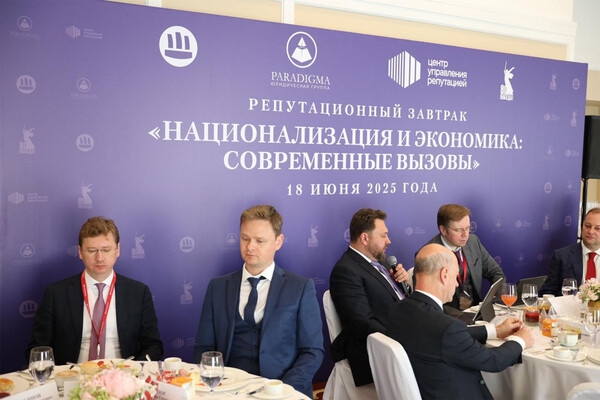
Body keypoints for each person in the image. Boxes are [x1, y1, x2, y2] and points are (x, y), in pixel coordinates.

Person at [193, 205, 323, 398]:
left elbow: (312, 351)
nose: (250, 247)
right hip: (227, 391)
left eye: (259, 241)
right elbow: (204, 348)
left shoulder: (301, 287)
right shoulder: (217, 287)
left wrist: (281, 390)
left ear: (278, 242)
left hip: (283, 391)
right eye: (245, 238)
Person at [387, 244, 534, 400]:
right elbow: (493, 361)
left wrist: (494, 331)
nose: (457, 284)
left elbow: (443, 336)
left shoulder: (398, 309)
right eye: (456, 276)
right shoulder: (446, 328)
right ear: (444, 274)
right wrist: (520, 340)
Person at [27, 216, 163, 365]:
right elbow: (37, 349)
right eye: (92, 250)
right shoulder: (56, 293)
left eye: (106, 250)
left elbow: (153, 346)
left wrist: (132, 370)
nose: (99, 258)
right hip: (72, 375)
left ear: (117, 250)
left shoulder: (139, 293)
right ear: (80, 252)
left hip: (122, 374)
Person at [329, 208, 409, 386]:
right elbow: (361, 324)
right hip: (381, 350)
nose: (389, 241)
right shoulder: (345, 270)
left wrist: (404, 285)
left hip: (403, 332)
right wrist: (405, 338)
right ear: (365, 238)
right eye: (383, 236)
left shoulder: (381, 262)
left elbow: (396, 299)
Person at [425, 204, 504, 312]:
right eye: (458, 230)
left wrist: (494, 303)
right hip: (448, 317)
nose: (465, 234)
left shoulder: (473, 242)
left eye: (467, 228)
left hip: (477, 313)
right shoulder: (428, 255)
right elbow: (428, 302)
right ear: (443, 230)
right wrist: (462, 317)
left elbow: (496, 274)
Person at [540, 208, 600, 296]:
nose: (591, 231)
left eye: (597, 228)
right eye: (587, 226)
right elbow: (547, 292)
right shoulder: (562, 256)